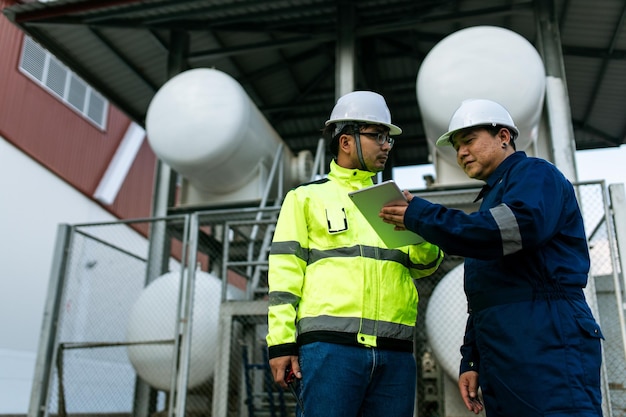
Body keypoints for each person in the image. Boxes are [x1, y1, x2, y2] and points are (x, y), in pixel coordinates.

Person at [379, 98, 604, 417]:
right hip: (504, 344)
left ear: (504, 137)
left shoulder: (535, 174)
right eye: (457, 147)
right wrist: (471, 357)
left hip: (547, 335)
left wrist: (422, 215)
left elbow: (517, 227)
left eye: (469, 140)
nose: (461, 153)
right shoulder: (490, 201)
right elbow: (487, 294)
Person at [265, 91, 444, 417]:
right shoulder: (306, 198)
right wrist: (281, 344)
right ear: (345, 142)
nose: (387, 145)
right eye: (378, 136)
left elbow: (427, 264)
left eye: (388, 137)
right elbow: (284, 275)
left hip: (395, 353)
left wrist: (416, 226)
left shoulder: (392, 202)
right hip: (330, 351)